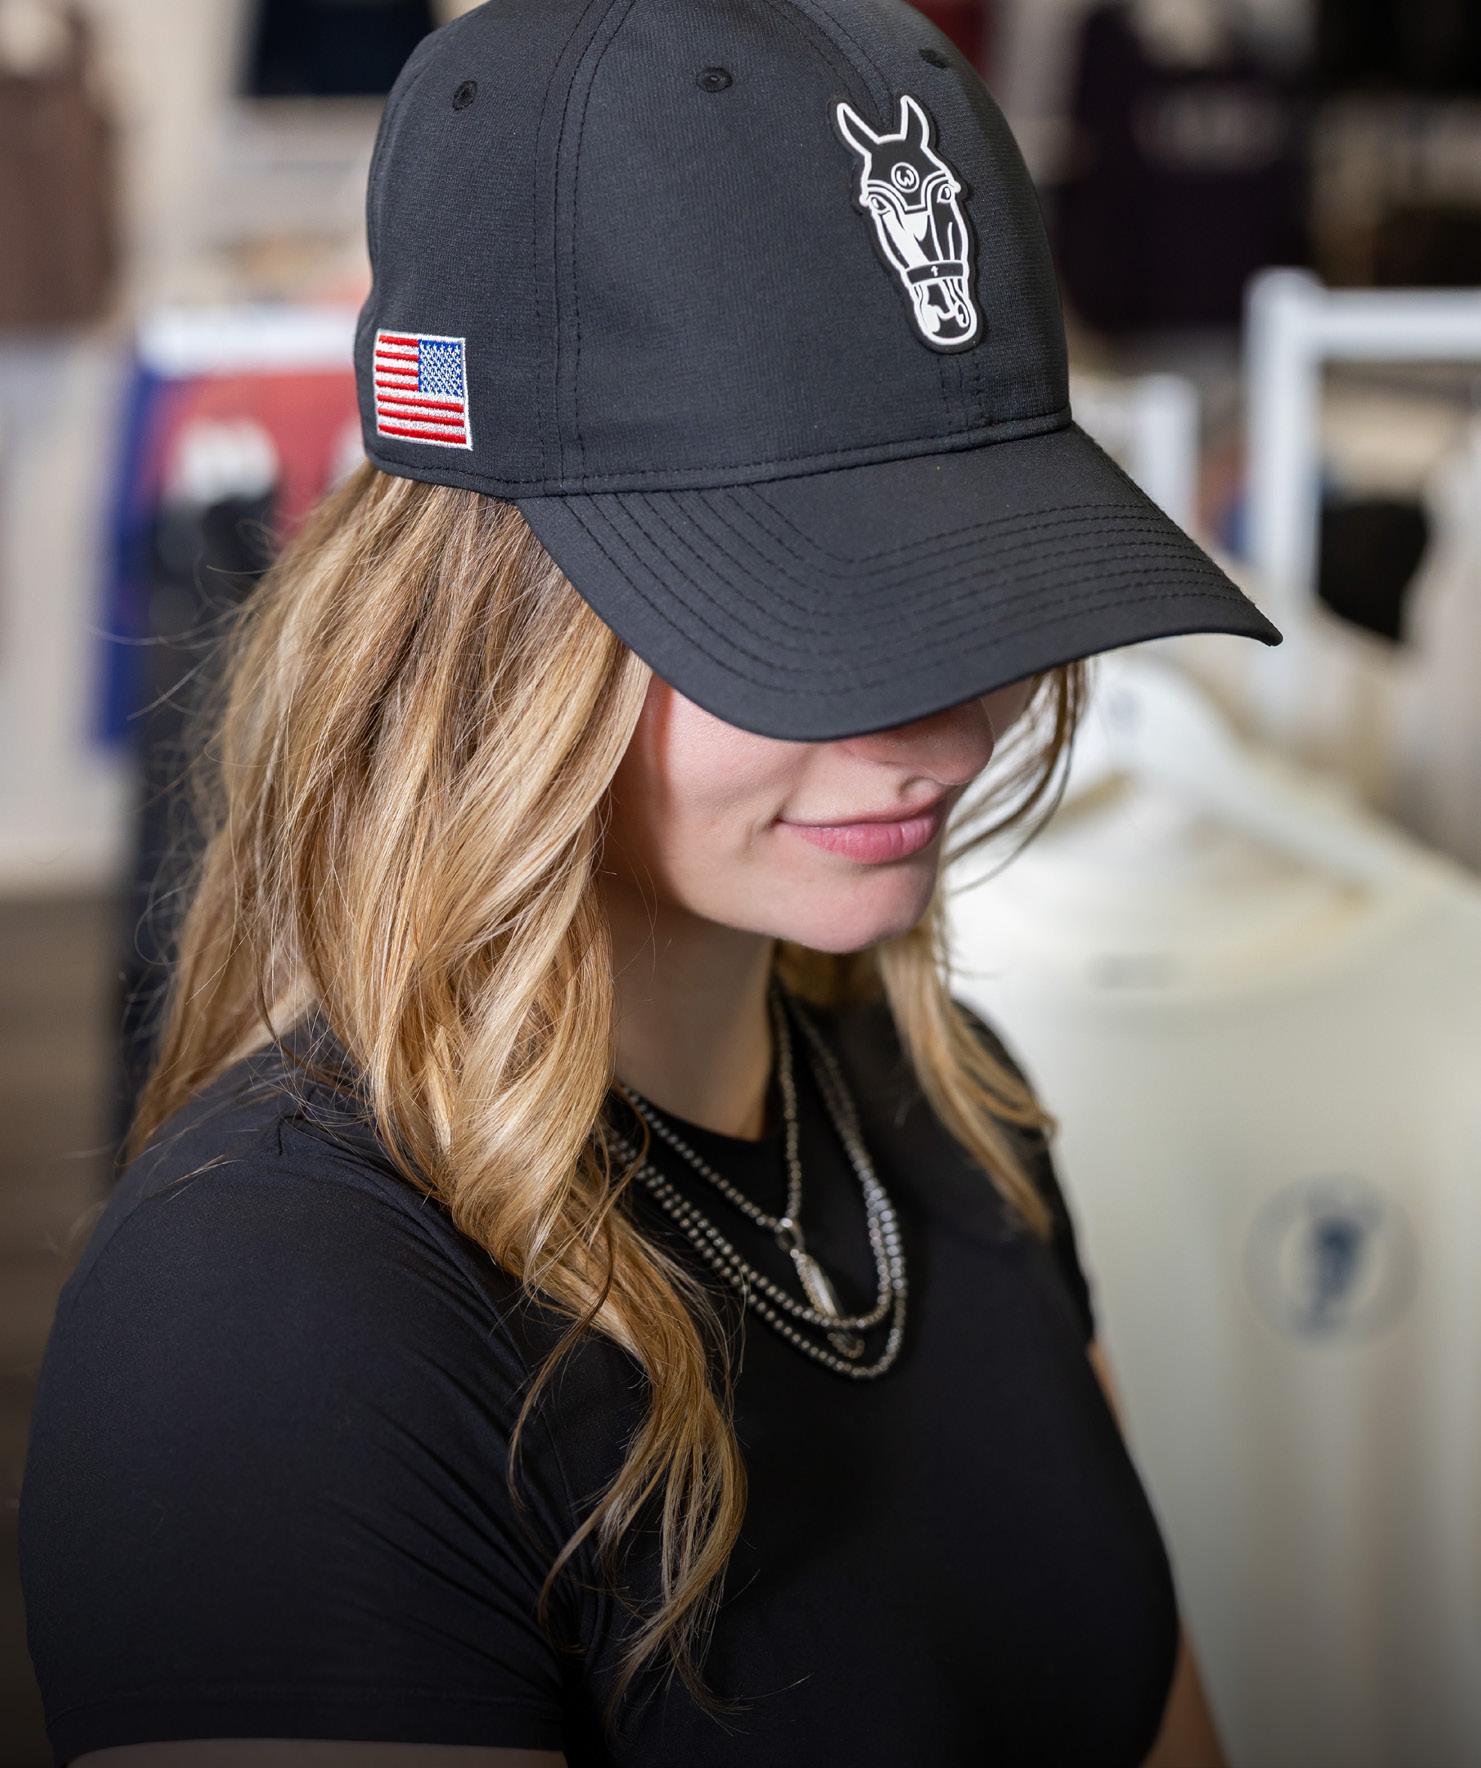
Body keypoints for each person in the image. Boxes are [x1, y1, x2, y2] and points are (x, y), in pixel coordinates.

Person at [20, 1, 1283, 1764]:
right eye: (815, 616)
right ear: (489, 630)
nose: (946, 731)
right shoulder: (279, 1328)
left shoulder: (950, 1109)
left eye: (989, 583)